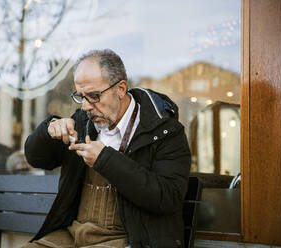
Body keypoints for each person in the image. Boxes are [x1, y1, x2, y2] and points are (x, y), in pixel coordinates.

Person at [23, 49, 191, 248]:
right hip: (72, 236)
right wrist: (47, 132)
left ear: (120, 89)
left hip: (130, 240)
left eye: (94, 96)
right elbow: (37, 160)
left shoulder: (165, 131)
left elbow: (168, 197)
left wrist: (105, 160)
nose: (85, 106)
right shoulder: (82, 121)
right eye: (81, 96)